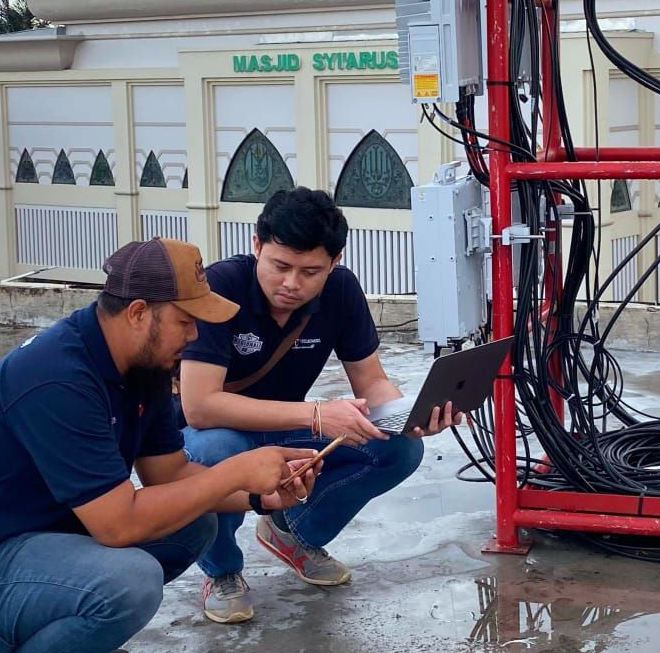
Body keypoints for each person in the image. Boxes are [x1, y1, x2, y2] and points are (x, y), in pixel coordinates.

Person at [0, 237, 322, 653]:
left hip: (35, 549)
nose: (194, 337)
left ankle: (61, 648)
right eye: (186, 321)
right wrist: (236, 469)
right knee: (130, 579)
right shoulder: (57, 377)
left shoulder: (140, 366)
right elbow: (117, 526)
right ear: (140, 312)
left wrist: (260, 497)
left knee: (196, 523)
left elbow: (171, 476)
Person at [179, 187, 464, 624]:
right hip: (211, 433)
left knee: (398, 448)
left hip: (285, 428)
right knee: (218, 452)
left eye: (311, 271)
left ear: (335, 262)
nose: (292, 284)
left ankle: (293, 532)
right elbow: (200, 406)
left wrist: (410, 414)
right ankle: (222, 572)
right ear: (257, 246)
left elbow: (371, 381)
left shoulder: (341, 292)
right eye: (280, 266)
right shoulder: (220, 287)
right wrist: (315, 414)